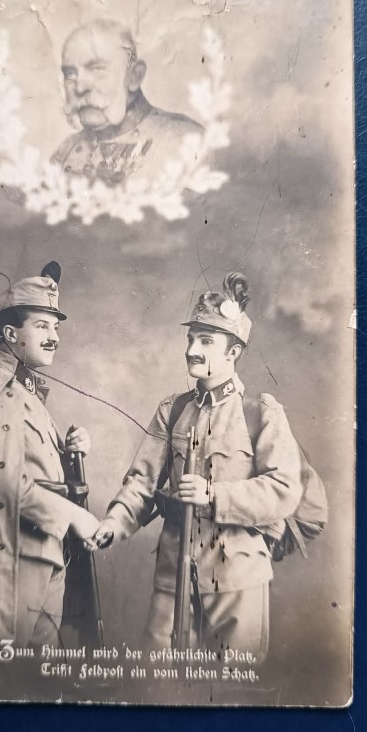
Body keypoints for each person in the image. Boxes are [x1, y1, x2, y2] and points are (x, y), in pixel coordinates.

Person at [92, 273, 306, 666]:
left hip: (237, 579)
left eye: (206, 341)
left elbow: (284, 489)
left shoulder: (260, 414)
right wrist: (113, 522)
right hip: (173, 574)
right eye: (191, 338)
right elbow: (141, 482)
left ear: (233, 351)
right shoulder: (173, 410)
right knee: (155, 679)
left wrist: (214, 495)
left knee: (229, 687)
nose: (191, 349)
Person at [0, 261, 99, 656]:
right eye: (42, 326)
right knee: (10, 677)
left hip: (39, 555)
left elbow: (26, 466)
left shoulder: (24, 393)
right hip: (11, 563)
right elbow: (5, 485)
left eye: (56, 327)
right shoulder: (0, 396)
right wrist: (75, 516)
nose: (54, 337)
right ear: (11, 334)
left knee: (36, 679)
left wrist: (66, 452)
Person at [53, 19, 203, 186]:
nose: (80, 88)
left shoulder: (186, 143)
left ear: (134, 76)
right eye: (70, 74)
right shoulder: (65, 150)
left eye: (97, 69)